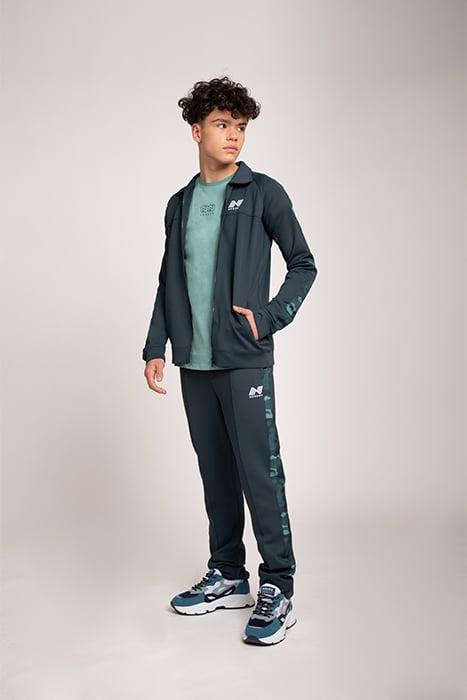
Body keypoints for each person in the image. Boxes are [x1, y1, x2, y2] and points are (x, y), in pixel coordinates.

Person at [142, 76, 318, 646]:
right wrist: (155, 346)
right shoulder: (179, 204)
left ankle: (279, 586)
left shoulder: (263, 193)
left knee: (259, 470)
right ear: (196, 130)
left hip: (244, 358)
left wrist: (269, 317)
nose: (234, 136)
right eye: (222, 125)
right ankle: (229, 574)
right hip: (195, 363)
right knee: (215, 470)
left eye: (240, 127)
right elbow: (169, 280)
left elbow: (303, 263)